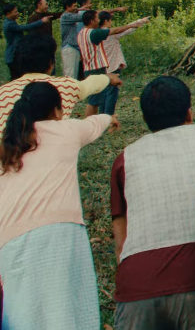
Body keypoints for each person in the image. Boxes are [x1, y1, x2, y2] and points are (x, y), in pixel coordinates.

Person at [110, 76, 195, 330]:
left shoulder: (125, 159)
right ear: (190, 113)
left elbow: (120, 237)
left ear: (146, 119)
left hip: (137, 287)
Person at [0, 82, 117, 329]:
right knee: (67, 310)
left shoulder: (8, 147)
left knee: (22, 313)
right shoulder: (66, 130)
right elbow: (94, 123)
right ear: (56, 111)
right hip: (60, 232)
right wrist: (110, 117)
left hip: (9, 241)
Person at [0, 34, 113, 132]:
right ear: (51, 63)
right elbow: (91, 84)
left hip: (9, 154)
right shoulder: (66, 85)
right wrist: (108, 78)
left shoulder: (3, 92)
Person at [77, 9, 147, 116]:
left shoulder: (81, 33)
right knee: (94, 101)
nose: (98, 21)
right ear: (91, 21)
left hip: (90, 68)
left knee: (96, 99)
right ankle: (91, 123)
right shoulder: (94, 33)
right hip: (95, 69)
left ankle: (95, 121)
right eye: (96, 19)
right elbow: (114, 31)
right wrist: (130, 26)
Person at [59, 0, 127, 80]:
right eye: (75, 6)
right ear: (67, 7)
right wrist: (117, 9)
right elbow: (87, 16)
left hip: (75, 48)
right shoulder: (67, 16)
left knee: (77, 76)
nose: (77, 8)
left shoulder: (73, 16)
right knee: (70, 75)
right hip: (70, 48)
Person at [3, 3, 49, 81]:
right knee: (16, 78)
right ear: (8, 13)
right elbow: (25, 27)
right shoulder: (9, 24)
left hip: (14, 54)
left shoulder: (10, 22)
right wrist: (41, 21)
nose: (17, 13)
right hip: (13, 56)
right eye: (15, 12)